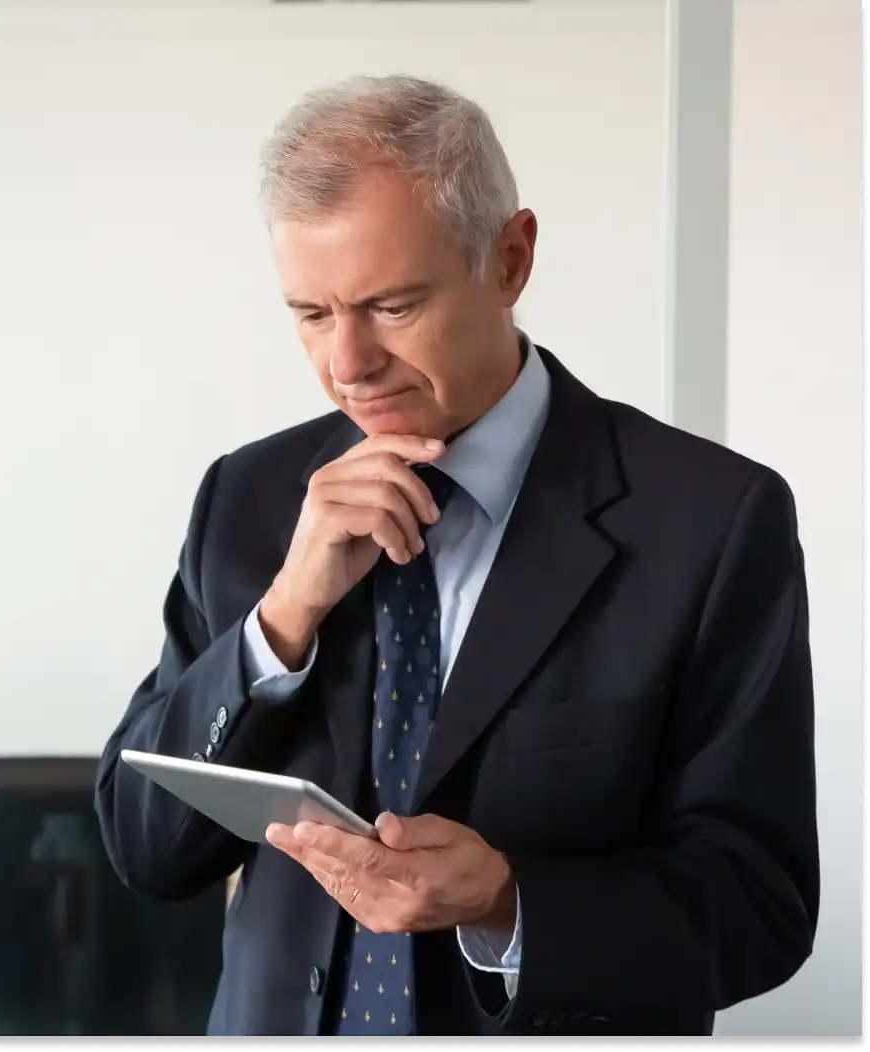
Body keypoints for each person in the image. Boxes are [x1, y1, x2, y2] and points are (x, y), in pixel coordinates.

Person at [94, 74, 817, 1038]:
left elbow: (760, 905)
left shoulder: (714, 522)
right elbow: (145, 847)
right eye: (312, 314)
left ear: (511, 259)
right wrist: (280, 623)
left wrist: (511, 903)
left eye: (392, 306)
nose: (347, 364)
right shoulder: (248, 500)